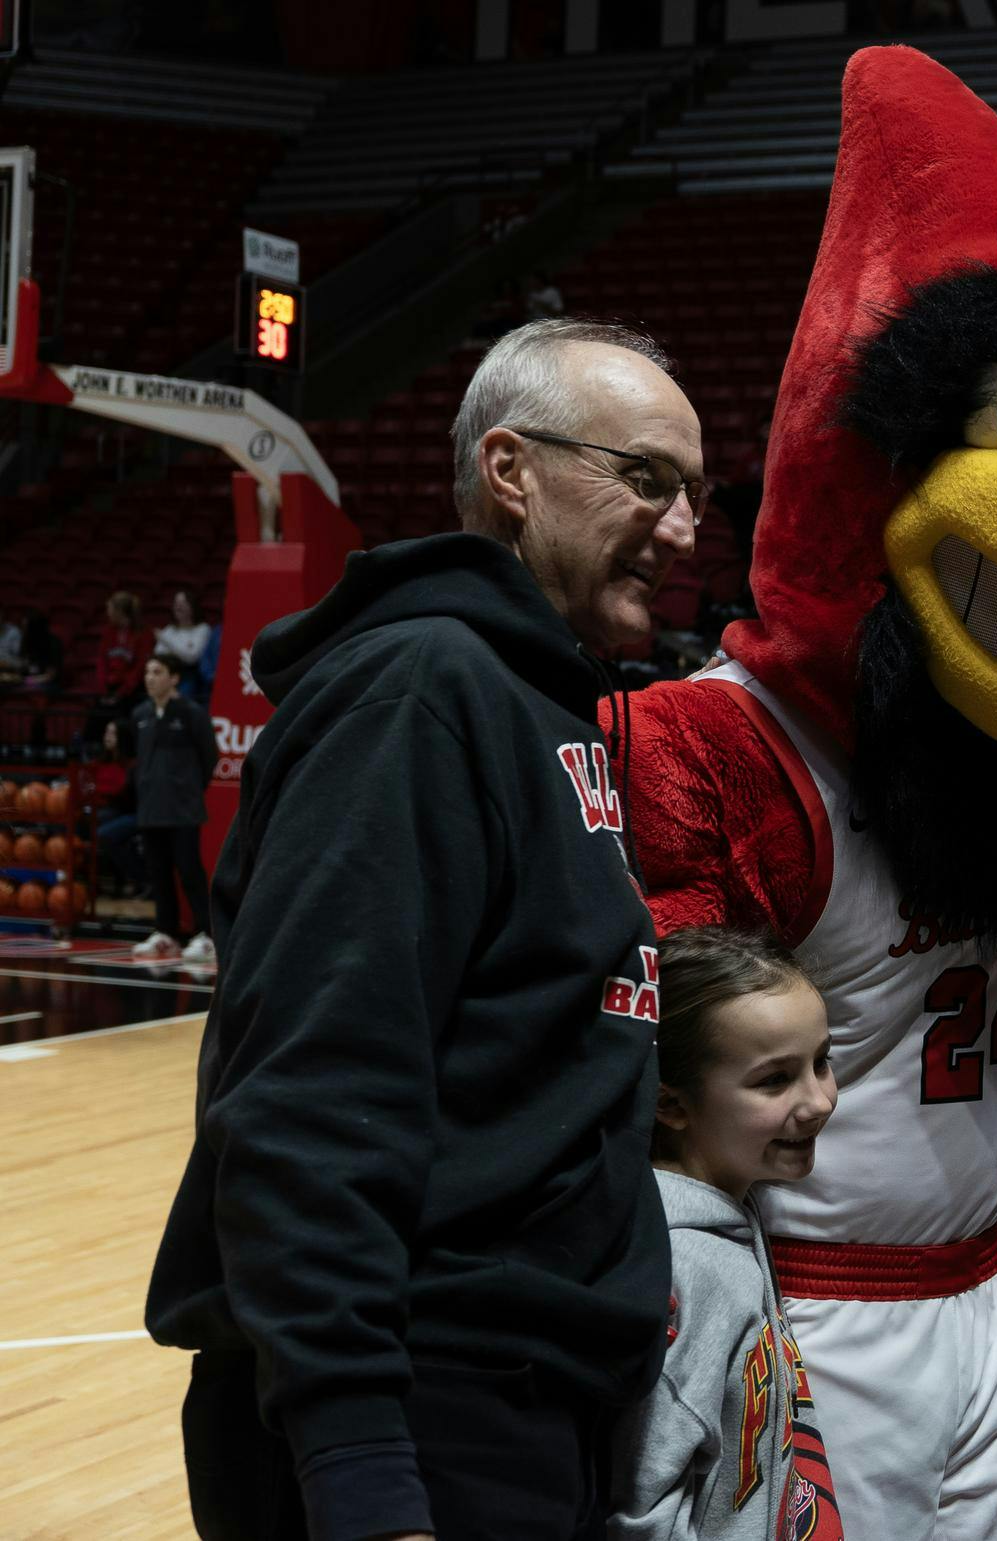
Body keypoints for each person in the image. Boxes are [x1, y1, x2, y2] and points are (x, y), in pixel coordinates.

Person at [146, 317, 693, 1541]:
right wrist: (361, 1472)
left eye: (695, 495)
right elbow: (313, 1089)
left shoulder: (534, 697)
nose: (683, 529)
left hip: (506, 1403)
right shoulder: (417, 694)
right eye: (646, 480)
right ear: (510, 470)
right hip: (412, 1412)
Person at [607, 928, 844, 1541]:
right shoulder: (685, 1260)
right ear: (671, 1104)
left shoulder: (731, 1216)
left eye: (822, 1061)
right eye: (774, 1080)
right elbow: (642, 1509)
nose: (817, 1100)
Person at [112, 655, 219, 965]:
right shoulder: (140, 715)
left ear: (174, 678)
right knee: (158, 873)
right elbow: (136, 760)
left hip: (183, 809)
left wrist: (188, 790)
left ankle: (206, 935)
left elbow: (210, 758)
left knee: (189, 871)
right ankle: (165, 932)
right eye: (147, 671)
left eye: (157, 672)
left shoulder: (191, 714)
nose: (149, 677)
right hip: (150, 808)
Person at [95, 589, 147, 706]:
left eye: (110, 609)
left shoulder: (142, 633)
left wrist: (121, 693)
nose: (107, 613)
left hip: (131, 691)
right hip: (108, 688)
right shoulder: (108, 632)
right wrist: (103, 690)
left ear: (120, 612)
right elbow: (102, 662)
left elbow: (139, 668)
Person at [154, 589, 213, 683]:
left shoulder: (203, 629)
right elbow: (158, 652)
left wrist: (167, 642)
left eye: (183, 602)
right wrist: (182, 652)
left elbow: (192, 658)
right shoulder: (169, 629)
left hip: (188, 674)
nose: (178, 606)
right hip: (166, 674)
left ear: (193, 607)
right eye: (176, 603)